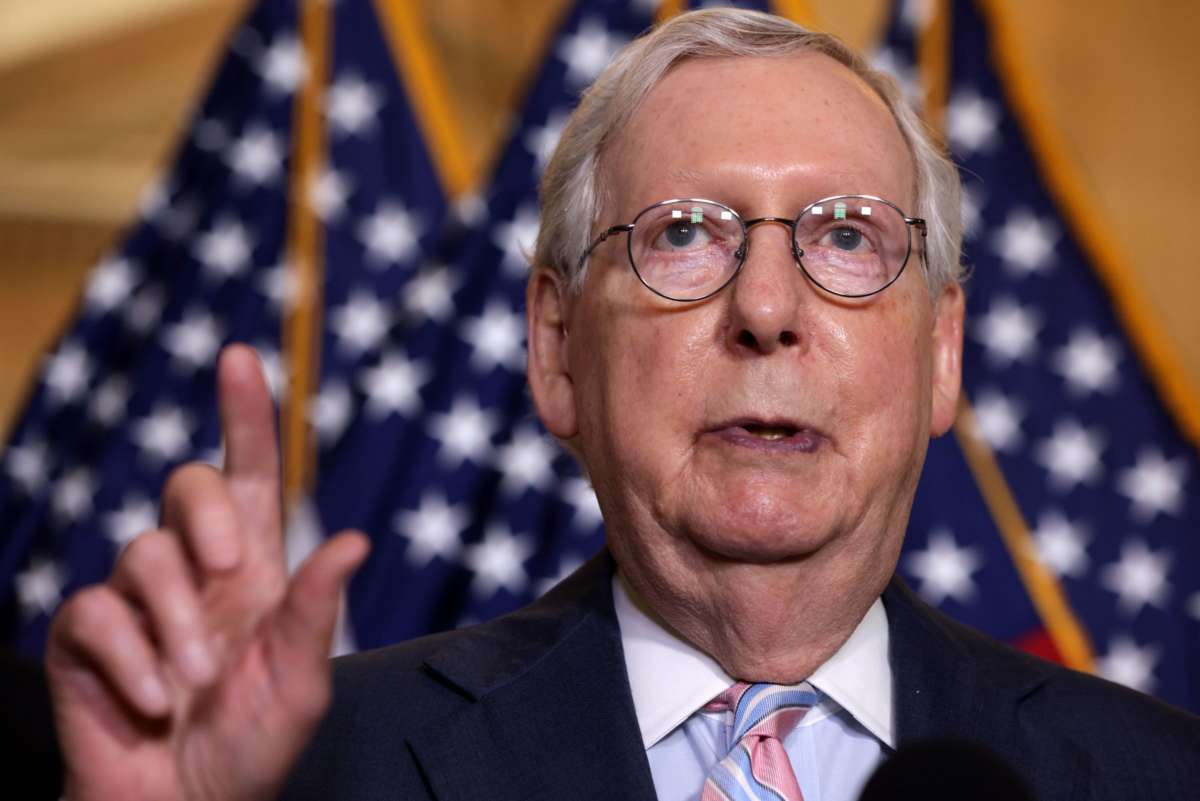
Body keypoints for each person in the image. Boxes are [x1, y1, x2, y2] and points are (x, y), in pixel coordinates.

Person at [44, 9, 1199, 801]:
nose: (765, 309)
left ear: (941, 352)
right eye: (684, 235)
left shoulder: (1151, 775)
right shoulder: (310, 768)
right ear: (556, 349)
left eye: (845, 237)